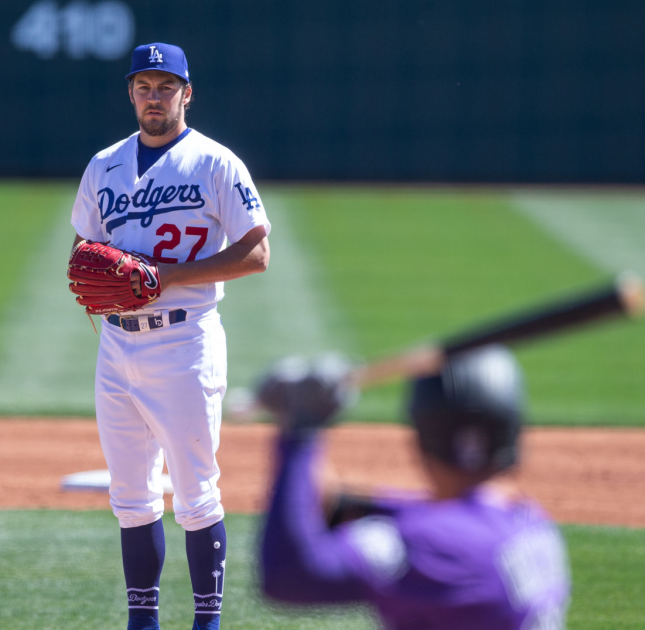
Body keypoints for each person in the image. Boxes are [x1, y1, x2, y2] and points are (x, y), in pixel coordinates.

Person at [68, 42, 271, 630]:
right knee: (130, 497)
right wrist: (102, 273)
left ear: (187, 93)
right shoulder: (104, 163)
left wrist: (165, 278)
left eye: (165, 87)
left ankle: (206, 622)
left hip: (185, 345)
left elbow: (257, 253)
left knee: (195, 494)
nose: (153, 98)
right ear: (130, 92)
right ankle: (143, 621)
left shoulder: (215, 163)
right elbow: (83, 250)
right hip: (116, 348)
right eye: (143, 86)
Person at [256, 347, 571, 629]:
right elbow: (346, 507)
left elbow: (289, 575)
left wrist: (302, 431)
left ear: (422, 436)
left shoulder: (436, 544)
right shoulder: (528, 522)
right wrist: (292, 413)